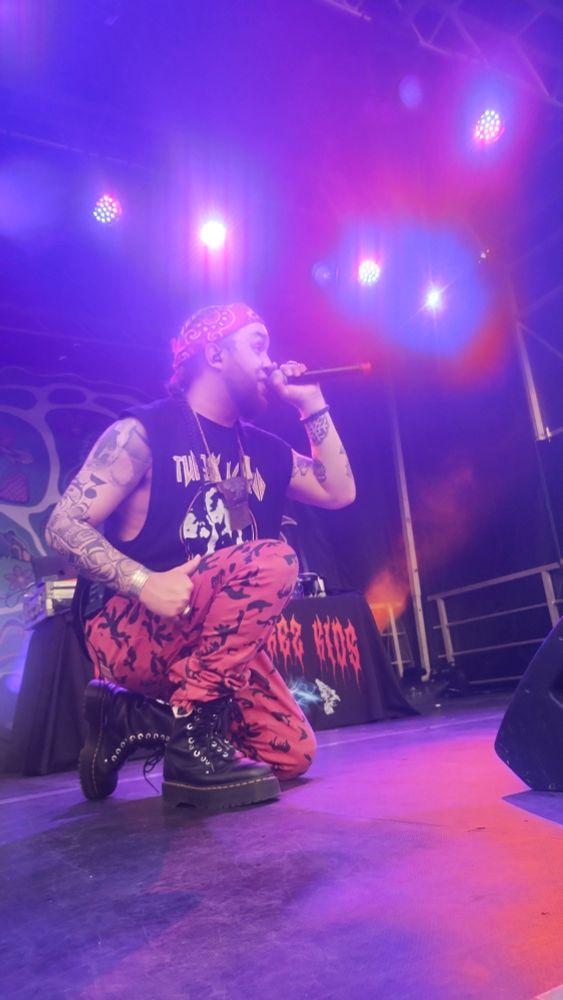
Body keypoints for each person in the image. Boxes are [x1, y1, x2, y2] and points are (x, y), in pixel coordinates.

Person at [46, 302, 356, 810]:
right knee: (275, 559)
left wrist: (312, 405)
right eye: (257, 345)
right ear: (215, 354)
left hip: (207, 644)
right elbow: (62, 525)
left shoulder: (266, 450)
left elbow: (339, 491)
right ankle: (189, 731)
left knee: (291, 752)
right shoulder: (143, 433)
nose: (269, 361)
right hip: (132, 624)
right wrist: (145, 582)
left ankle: (130, 719)